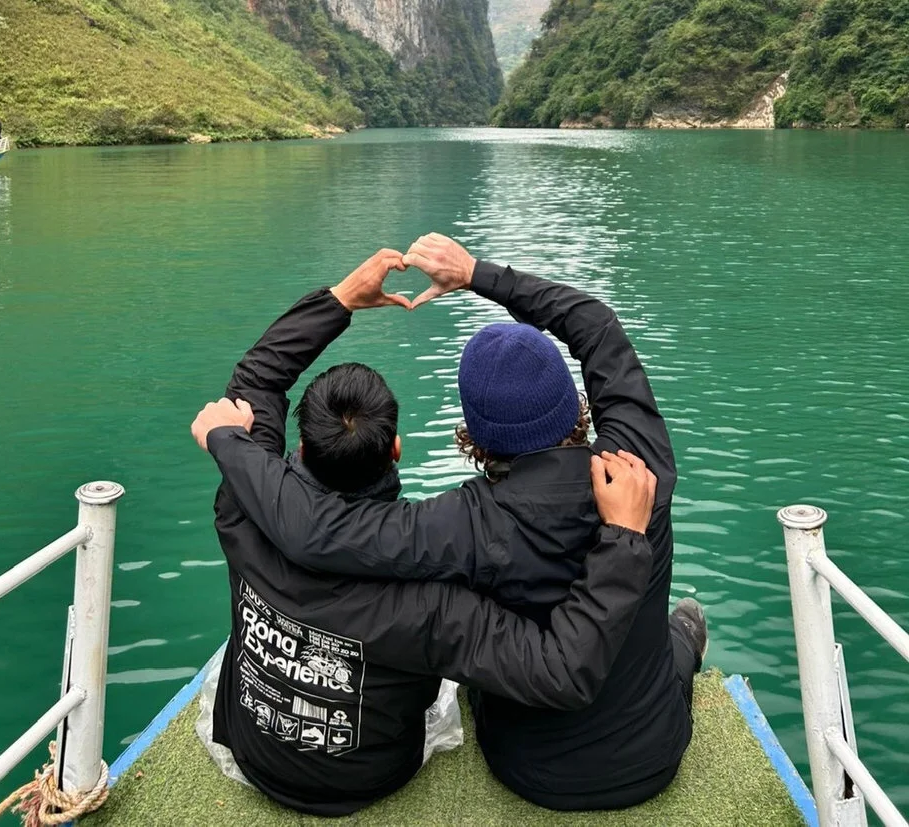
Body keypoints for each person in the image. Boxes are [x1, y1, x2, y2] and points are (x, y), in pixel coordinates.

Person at [202, 234, 708, 811]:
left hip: (524, 765)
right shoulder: (642, 464)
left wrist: (337, 302)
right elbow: (595, 325)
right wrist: (474, 273)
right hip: (653, 753)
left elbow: (316, 530)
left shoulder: (460, 525)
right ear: (575, 403)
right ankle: (686, 637)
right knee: (668, 639)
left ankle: (681, 639)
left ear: (472, 434)